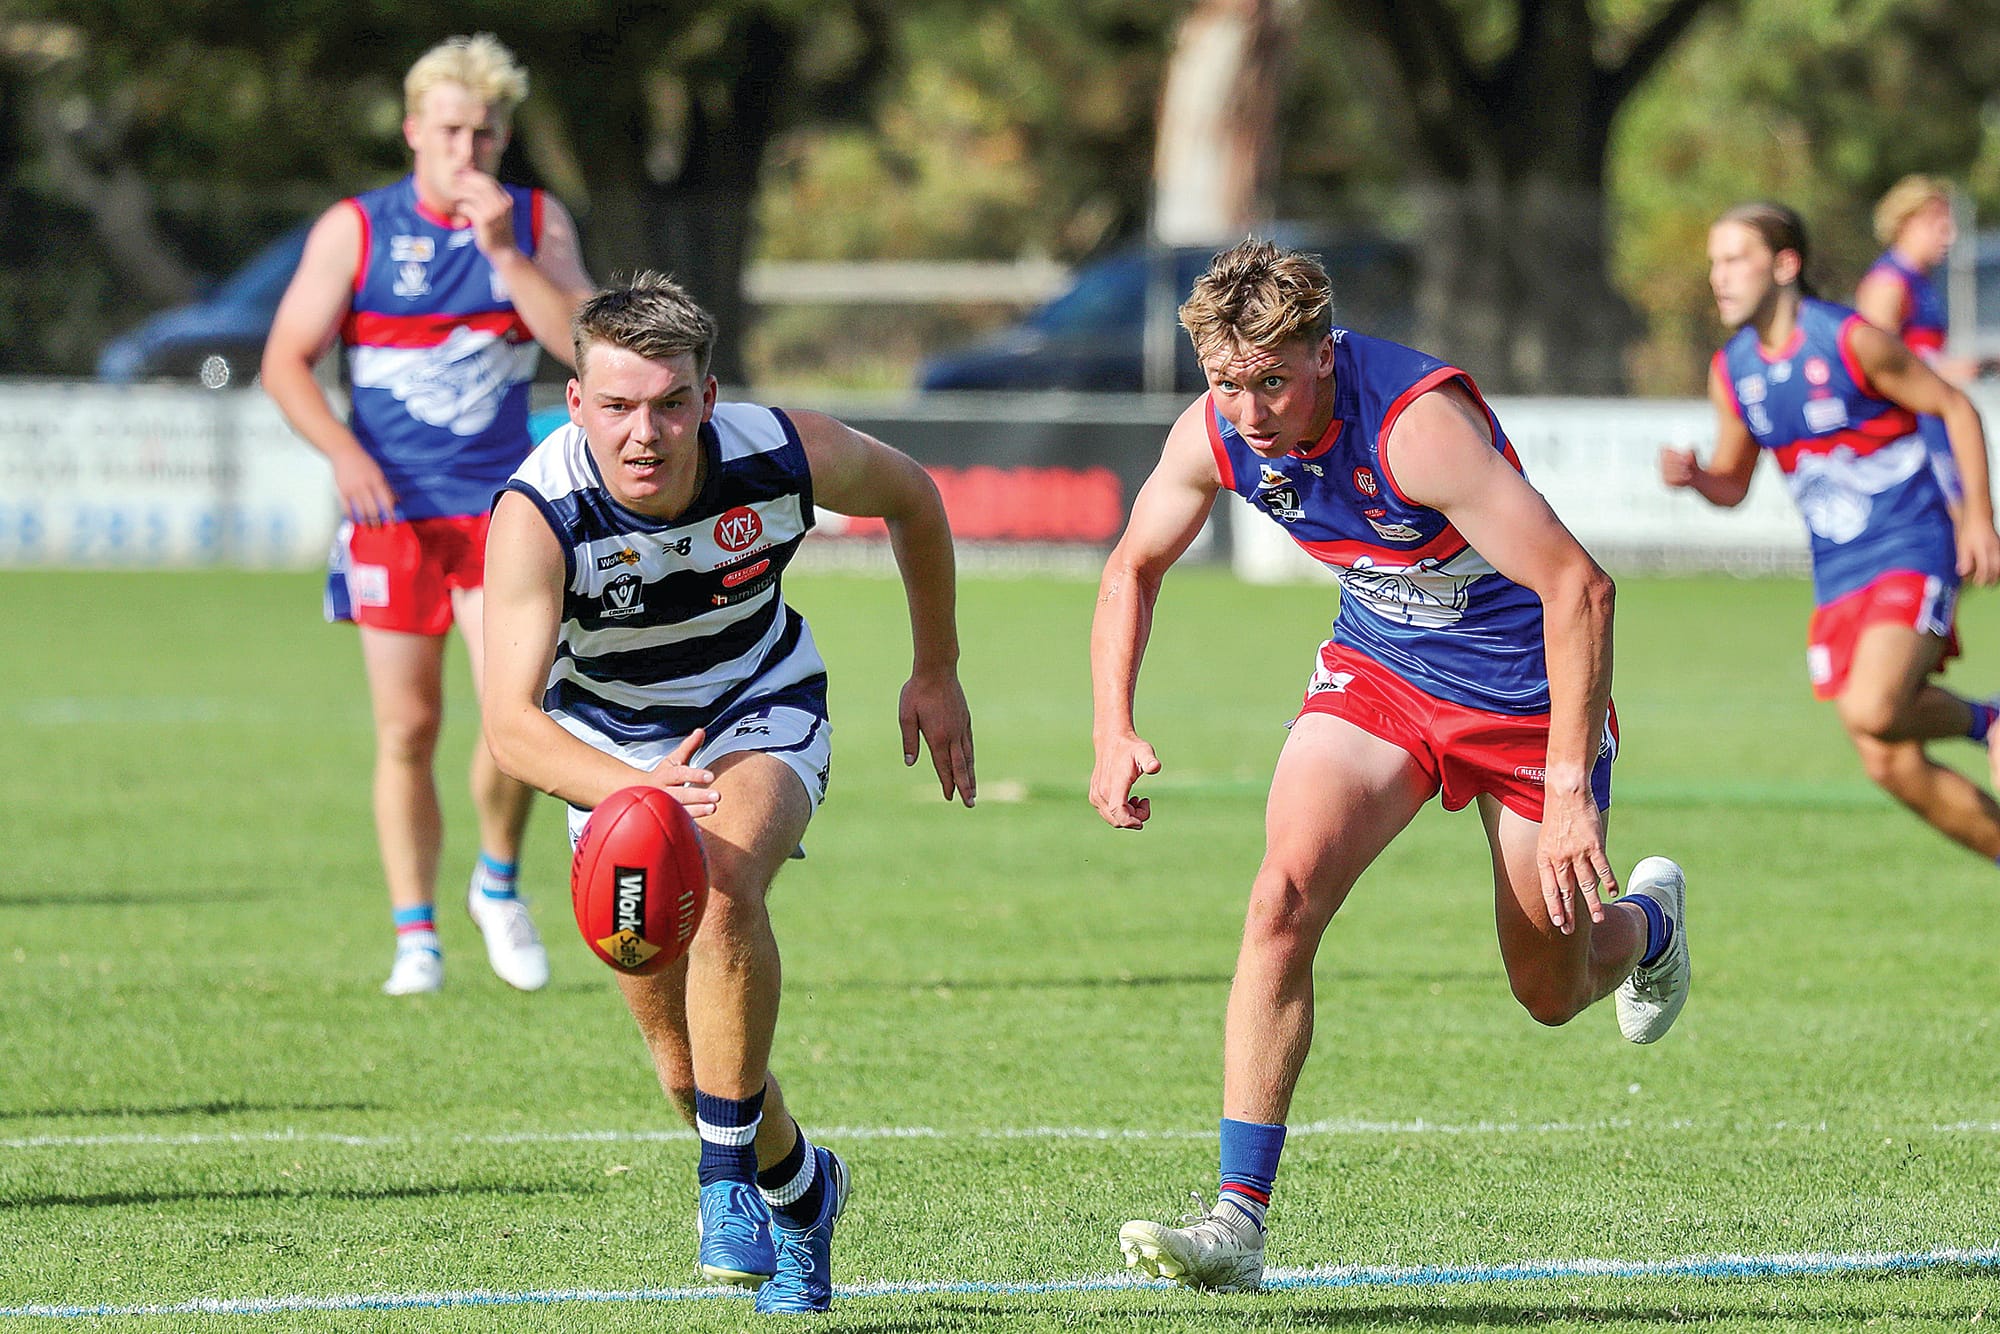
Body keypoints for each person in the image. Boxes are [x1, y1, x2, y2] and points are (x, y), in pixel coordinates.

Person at [1090, 238, 1689, 1292]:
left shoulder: (1416, 428)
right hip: (1381, 677)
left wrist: (1562, 793)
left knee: (1548, 990)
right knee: (1279, 895)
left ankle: (1648, 925)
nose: (1249, 408)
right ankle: (1237, 1218)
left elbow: (1580, 589)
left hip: (1525, 704)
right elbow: (1132, 564)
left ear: (1324, 355)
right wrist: (1112, 724)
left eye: (1270, 379)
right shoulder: (1217, 433)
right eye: (1226, 382)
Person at [481, 274, 975, 1312]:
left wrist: (934, 670)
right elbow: (511, 727)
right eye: (616, 405)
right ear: (576, 403)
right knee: (683, 1060)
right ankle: (799, 1189)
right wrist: (635, 791)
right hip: (610, 748)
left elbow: (914, 497)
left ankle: (719, 1188)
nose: (644, 431)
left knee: (721, 881)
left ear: (708, 398)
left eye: (669, 402)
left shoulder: (779, 451)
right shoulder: (538, 510)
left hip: (760, 703)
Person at [262, 34, 595, 996]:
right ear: (414, 131)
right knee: (407, 729)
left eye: (485, 134)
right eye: (450, 130)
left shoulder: (533, 221)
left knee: (515, 721)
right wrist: (345, 451)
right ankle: (416, 934)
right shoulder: (355, 229)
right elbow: (286, 361)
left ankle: (497, 884)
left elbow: (583, 344)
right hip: (394, 516)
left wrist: (502, 252)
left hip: (505, 518)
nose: (467, 150)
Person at [1665, 202, 2000, 860]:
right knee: (1889, 761)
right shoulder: (1732, 371)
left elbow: (1954, 406)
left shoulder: (1848, 338)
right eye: (1714, 262)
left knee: (1873, 709)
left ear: (1785, 265)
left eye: (1736, 260)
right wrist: (1698, 478)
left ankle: (1989, 717)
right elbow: (1734, 484)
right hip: (1839, 569)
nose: (1719, 277)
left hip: (1913, 541)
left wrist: (1979, 520)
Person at [1853, 175, 1999, 511]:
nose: (1949, 235)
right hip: (1909, 429)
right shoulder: (1888, 284)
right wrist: (1949, 369)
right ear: (1906, 223)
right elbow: (1877, 367)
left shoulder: (1922, 280)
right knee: (1957, 526)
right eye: (1938, 224)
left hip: (1934, 416)